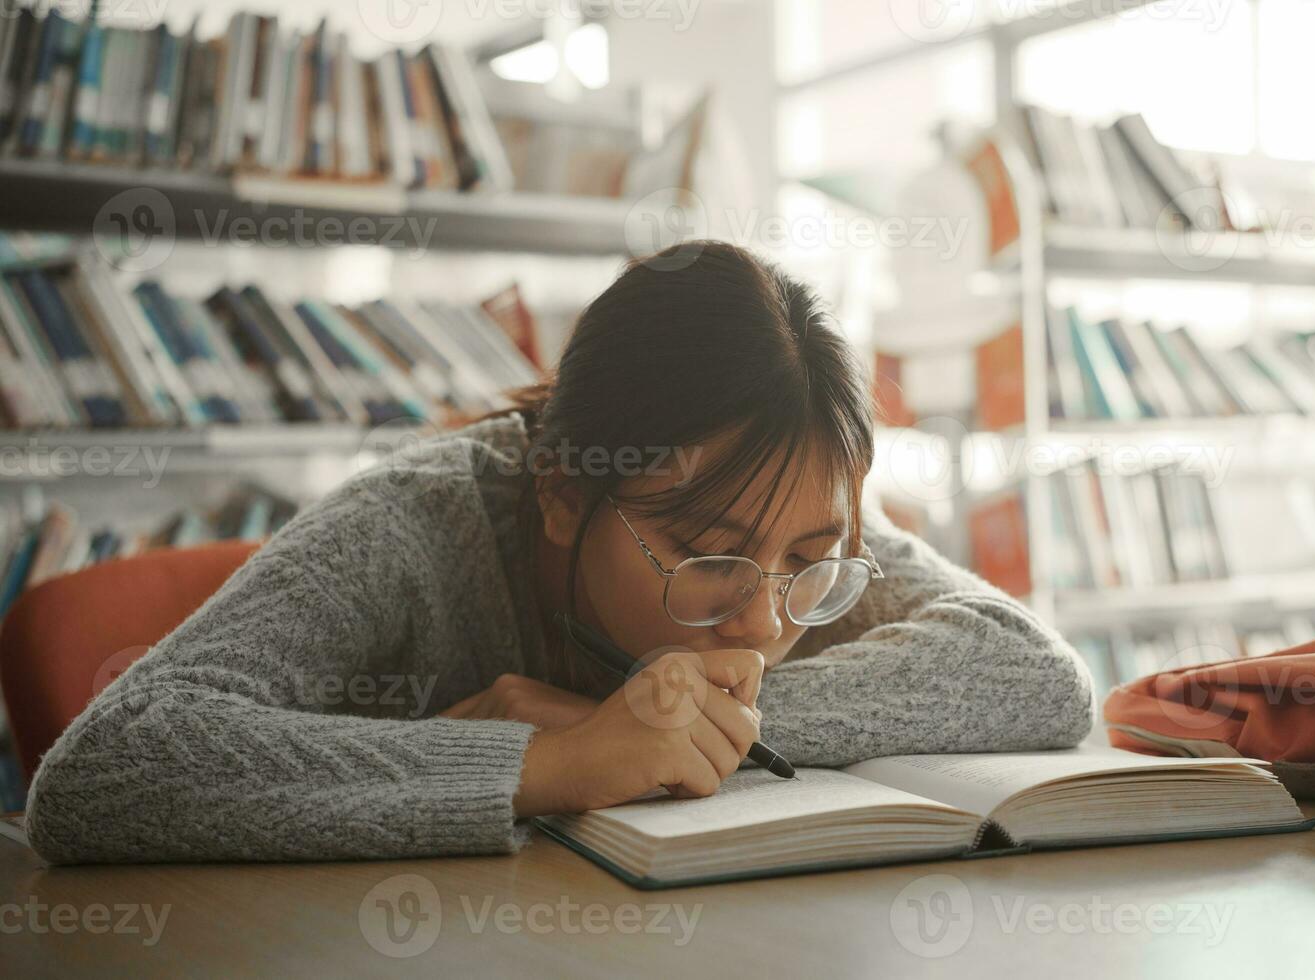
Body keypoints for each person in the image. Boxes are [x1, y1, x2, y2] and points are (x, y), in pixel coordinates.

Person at [25, 241, 1093, 864]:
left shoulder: (781, 507)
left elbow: (1032, 667)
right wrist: (551, 764)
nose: (765, 623)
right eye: (707, 557)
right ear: (562, 488)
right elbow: (107, 768)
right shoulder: (416, 525)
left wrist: (668, 725)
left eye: (811, 561)